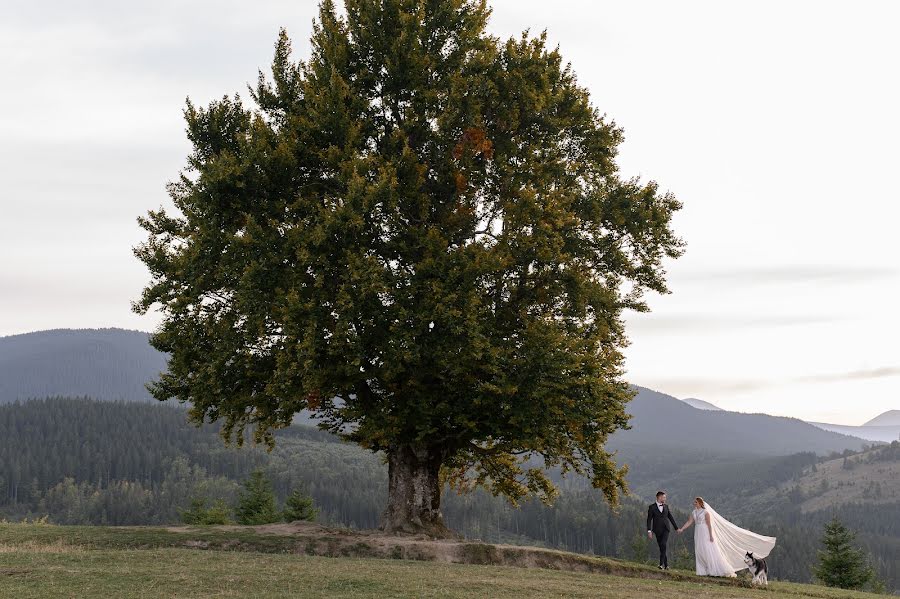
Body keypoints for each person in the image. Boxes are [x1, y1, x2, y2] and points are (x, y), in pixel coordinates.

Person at [677, 496, 776, 577]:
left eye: (696, 502)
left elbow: (709, 525)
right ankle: (702, 570)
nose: (694, 503)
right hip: (698, 532)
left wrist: (711, 536)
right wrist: (682, 528)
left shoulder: (706, 513)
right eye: (694, 502)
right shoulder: (694, 512)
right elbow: (689, 521)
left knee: (708, 549)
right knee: (700, 550)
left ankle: (715, 569)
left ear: (700, 503)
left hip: (705, 532)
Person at [647, 491, 679, 570]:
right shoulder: (652, 507)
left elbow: (670, 517)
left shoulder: (666, 506)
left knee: (663, 544)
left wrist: (676, 528)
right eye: (664, 497)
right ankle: (666, 565)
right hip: (657, 530)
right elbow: (649, 520)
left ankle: (661, 564)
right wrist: (649, 530)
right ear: (659, 497)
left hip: (666, 529)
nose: (665, 499)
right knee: (661, 547)